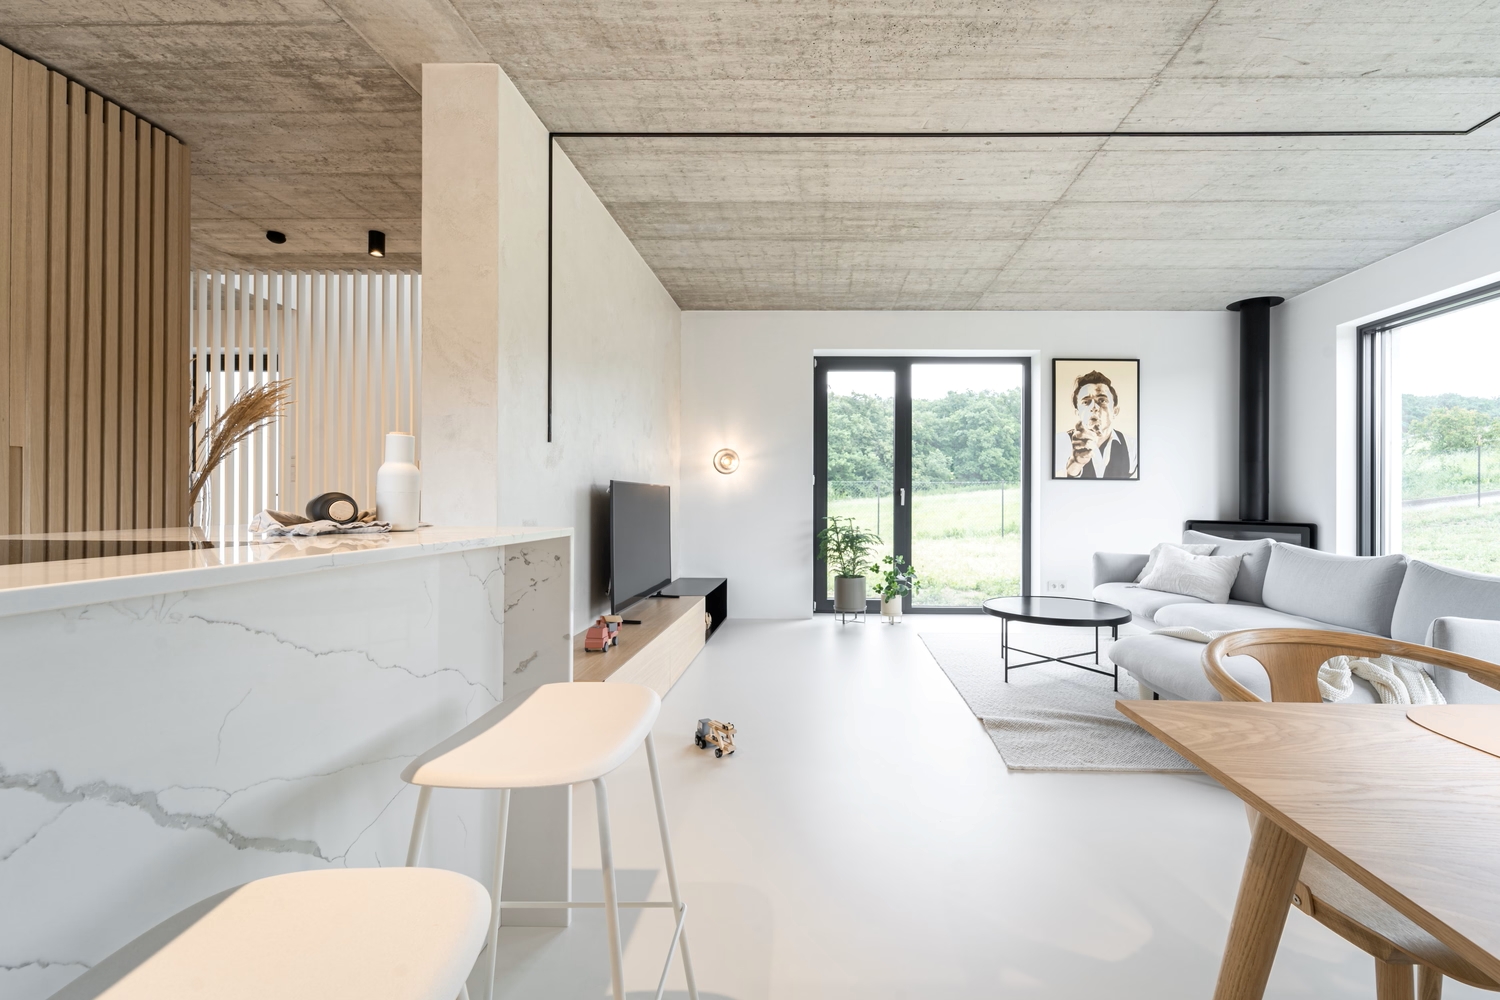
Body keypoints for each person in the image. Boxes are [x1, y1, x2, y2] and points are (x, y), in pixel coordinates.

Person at [1055, 370, 1136, 479]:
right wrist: (1075, 464)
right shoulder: (1059, 442)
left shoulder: (1133, 446)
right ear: (1078, 413)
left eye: (1102, 400)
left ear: (1115, 411)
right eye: (1086, 402)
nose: (1094, 407)